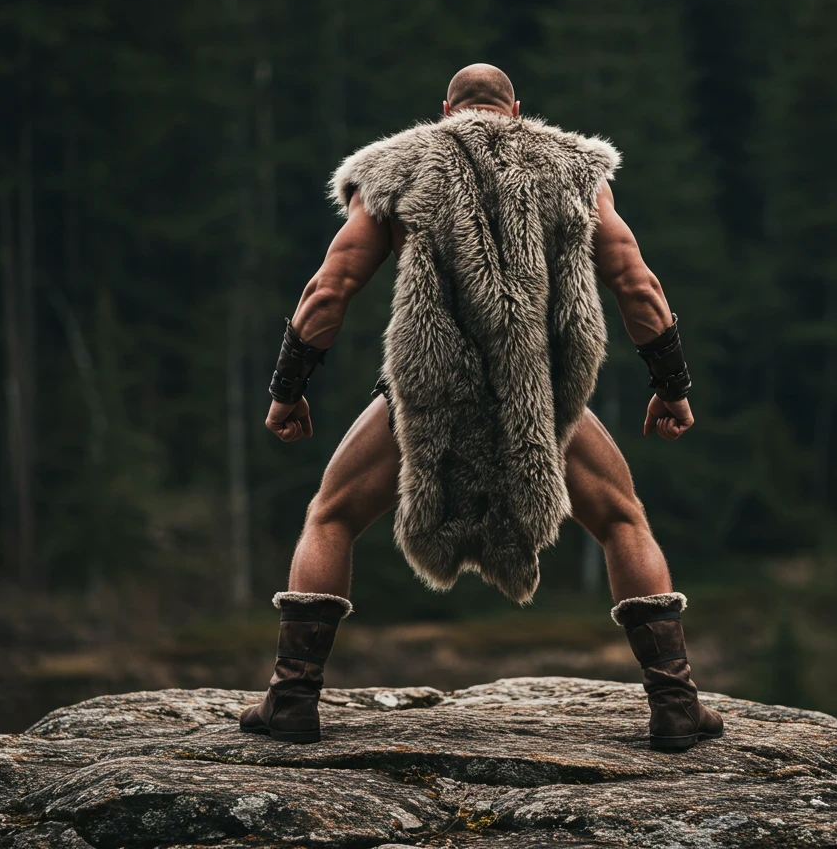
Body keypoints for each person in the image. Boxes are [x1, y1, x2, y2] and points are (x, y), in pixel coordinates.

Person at [239, 64, 723, 751]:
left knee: (332, 515)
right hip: (540, 398)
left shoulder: (398, 166)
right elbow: (635, 282)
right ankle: (675, 707)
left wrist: (289, 391)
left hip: (426, 393)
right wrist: (671, 387)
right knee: (622, 519)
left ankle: (291, 702)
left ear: (445, 111)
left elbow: (330, 286)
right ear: (516, 111)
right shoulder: (574, 169)